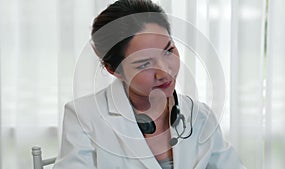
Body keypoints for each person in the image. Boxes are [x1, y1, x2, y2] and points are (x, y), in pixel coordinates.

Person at [53, 0, 246, 168]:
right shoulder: (83, 117)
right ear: (114, 70)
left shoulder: (200, 116)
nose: (165, 72)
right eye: (144, 63)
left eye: (168, 51)